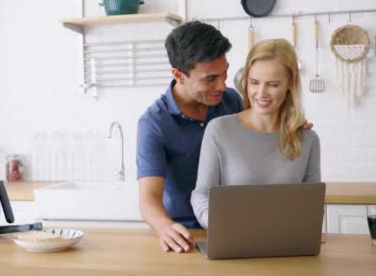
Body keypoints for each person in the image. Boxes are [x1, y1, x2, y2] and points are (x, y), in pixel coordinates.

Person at [190, 38, 321, 229]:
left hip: (288, 246)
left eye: (273, 84)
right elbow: (201, 194)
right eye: (254, 83)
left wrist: (310, 228)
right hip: (232, 239)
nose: (261, 93)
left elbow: (312, 204)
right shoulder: (219, 130)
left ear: (290, 83)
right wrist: (215, 222)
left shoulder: (308, 139)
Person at [136, 21, 243, 253]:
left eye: (225, 74)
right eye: (210, 79)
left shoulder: (232, 101)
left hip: (236, 225)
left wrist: (291, 126)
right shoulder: (153, 123)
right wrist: (165, 228)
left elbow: (263, 138)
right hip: (187, 233)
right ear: (178, 74)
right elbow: (149, 197)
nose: (222, 86)